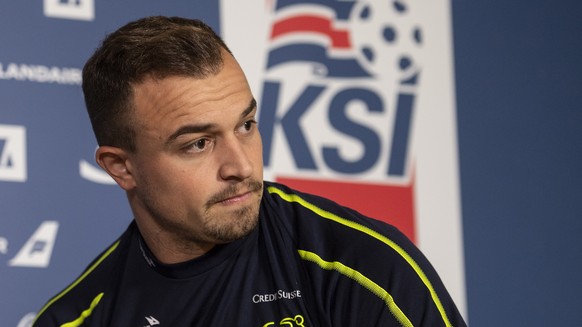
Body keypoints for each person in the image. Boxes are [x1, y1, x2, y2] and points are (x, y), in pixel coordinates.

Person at [33, 16, 466, 327]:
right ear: (120, 167)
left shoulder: (361, 269)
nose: (240, 166)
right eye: (198, 144)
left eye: (245, 125)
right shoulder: (76, 318)